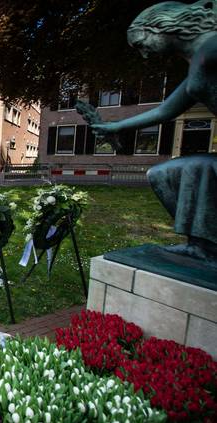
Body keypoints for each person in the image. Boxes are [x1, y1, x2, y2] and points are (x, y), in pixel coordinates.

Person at [82, 0, 217, 261]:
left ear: (160, 28)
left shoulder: (212, 48)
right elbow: (165, 111)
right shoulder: (198, 60)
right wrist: (114, 126)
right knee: (163, 174)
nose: (144, 54)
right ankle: (203, 247)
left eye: (142, 45)